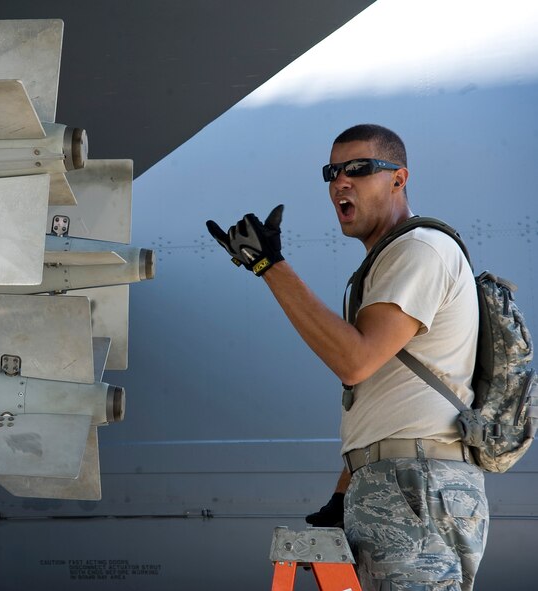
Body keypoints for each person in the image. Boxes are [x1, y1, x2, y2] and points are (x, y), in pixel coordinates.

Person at [206, 124, 488, 591]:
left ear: (398, 179)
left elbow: (355, 361)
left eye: (358, 168)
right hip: (395, 482)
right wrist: (344, 495)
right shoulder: (386, 261)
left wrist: (270, 266)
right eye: (332, 171)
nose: (341, 181)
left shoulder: (419, 249)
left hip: (413, 485)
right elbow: (382, 400)